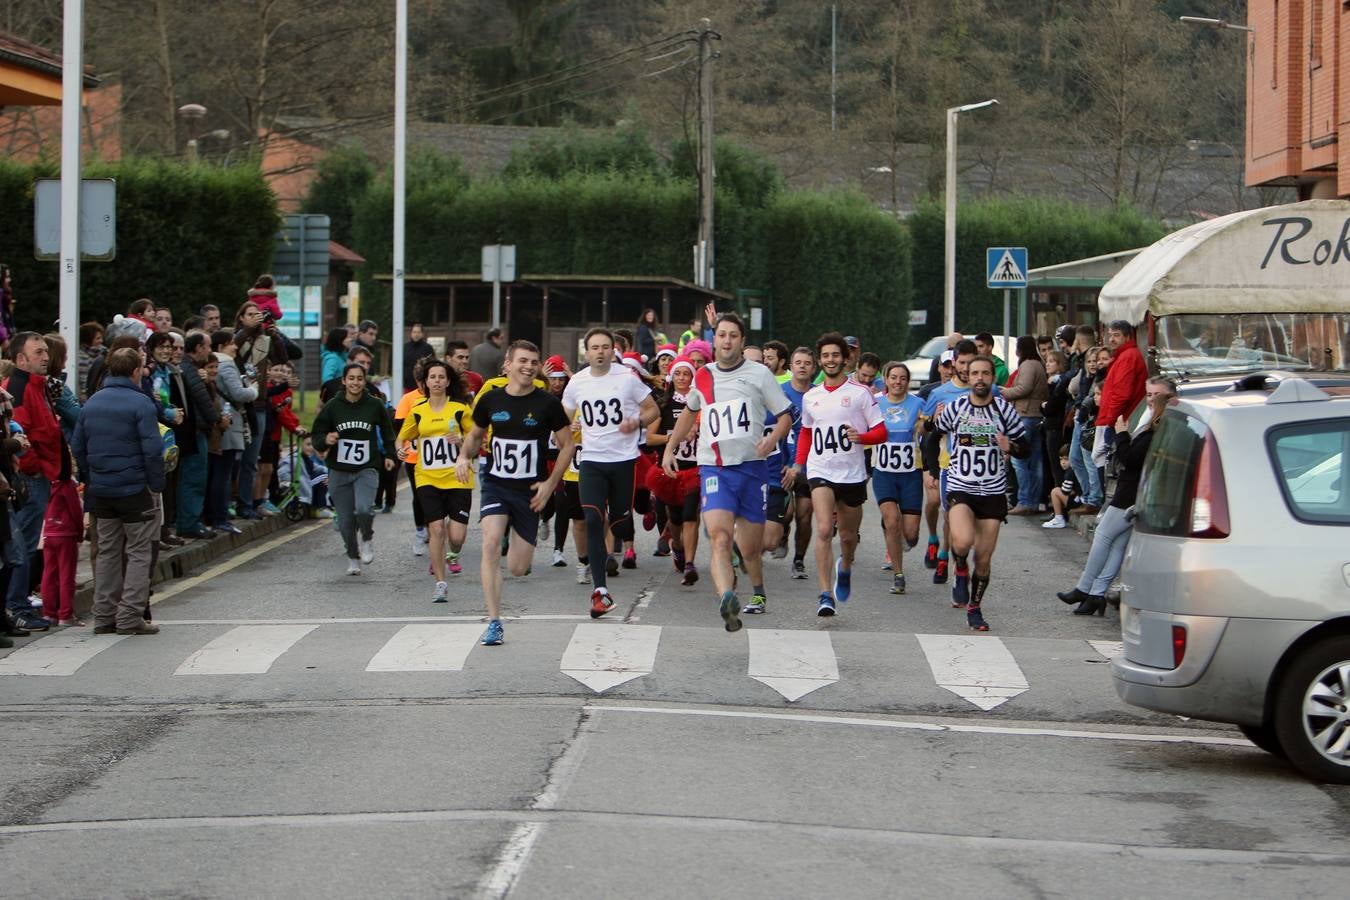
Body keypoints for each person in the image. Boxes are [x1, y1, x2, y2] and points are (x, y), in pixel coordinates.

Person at [662, 313, 792, 628]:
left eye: (733, 335)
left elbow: (786, 415)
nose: (727, 340)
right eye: (722, 335)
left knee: (750, 550)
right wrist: (669, 448)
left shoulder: (760, 375)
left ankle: (758, 590)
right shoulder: (703, 376)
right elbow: (689, 413)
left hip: (752, 469)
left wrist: (772, 437)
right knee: (719, 537)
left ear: (742, 341)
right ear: (715, 340)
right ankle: (726, 599)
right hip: (715, 469)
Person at [456, 341, 573, 645]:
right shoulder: (490, 400)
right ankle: (494, 620)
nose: (529, 367)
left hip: (529, 491)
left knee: (518, 568)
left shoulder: (547, 403)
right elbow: (475, 435)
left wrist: (550, 484)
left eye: (534, 362)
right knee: (491, 544)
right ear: (507, 365)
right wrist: (463, 457)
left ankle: (521, 546)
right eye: (522, 361)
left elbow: (567, 446)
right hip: (496, 484)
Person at [788, 332, 887, 617]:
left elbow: (882, 431)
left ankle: (844, 567)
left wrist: (863, 437)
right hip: (820, 470)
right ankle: (824, 593)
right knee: (822, 529)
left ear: (845, 359)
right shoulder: (811, 397)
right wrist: (798, 464)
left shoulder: (860, 393)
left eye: (835, 355)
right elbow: (806, 432)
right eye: (826, 356)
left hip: (852, 473)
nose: (830, 360)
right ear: (820, 361)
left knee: (846, 536)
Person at [563, 327, 660, 617]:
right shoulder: (576, 383)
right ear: (587, 351)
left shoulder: (627, 379)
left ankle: (626, 519)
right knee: (592, 518)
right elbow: (562, 419)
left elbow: (653, 410)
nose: (600, 352)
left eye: (605, 347)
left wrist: (637, 422)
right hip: (591, 461)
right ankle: (600, 592)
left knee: (618, 521)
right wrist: (567, 428)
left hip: (622, 461)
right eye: (594, 347)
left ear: (612, 350)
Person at [1058, 377, 1176, 615]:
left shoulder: (1160, 425)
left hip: (1132, 490)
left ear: (1169, 398)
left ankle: (1084, 587)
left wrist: (1121, 434)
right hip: (1135, 489)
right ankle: (1096, 595)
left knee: (1103, 535)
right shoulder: (1155, 422)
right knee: (1118, 544)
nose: (1150, 399)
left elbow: (1131, 458)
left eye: (1156, 395)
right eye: (1149, 394)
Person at [930, 356, 1029, 631]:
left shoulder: (1004, 411)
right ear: (968, 376)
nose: (981, 378)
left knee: (984, 558)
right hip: (962, 486)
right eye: (975, 373)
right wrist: (930, 470)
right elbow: (931, 434)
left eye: (986, 373)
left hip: (994, 491)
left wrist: (1011, 447)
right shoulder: (956, 408)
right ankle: (959, 566)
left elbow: (1026, 447)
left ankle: (974, 607)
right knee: (962, 542)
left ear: (992, 378)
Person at [73, 347, 166, 636]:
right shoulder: (141, 404)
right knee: (139, 552)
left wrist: (91, 475)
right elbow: (152, 449)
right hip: (135, 488)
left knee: (108, 553)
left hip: (101, 489)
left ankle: (104, 616)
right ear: (136, 371)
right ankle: (129, 617)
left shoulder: (91, 403)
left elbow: (78, 446)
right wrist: (156, 483)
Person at [3, 332, 64, 631]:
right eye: (38, 352)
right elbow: (21, 434)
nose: (45, 356)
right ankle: (15, 605)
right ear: (20, 359)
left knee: (25, 542)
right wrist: (33, 470)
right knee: (23, 545)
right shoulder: (19, 386)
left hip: (40, 473)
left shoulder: (37, 386)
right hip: (30, 477)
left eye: (45, 351)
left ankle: (18, 602)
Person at [311, 363, 397, 575]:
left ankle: (367, 537)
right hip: (339, 470)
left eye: (359, 379)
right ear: (344, 381)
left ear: (364, 381)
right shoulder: (333, 406)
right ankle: (353, 556)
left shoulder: (374, 405)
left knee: (364, 509)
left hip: (366, 468)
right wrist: (326, 440)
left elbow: (387, 431)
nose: (355, 383)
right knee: (345, 520)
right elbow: (317, 434)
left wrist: (389, 455)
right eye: (351, 378)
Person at [398, 359, 473, 601]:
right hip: (427, 476)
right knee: (437, 528)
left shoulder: (460, 409)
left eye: (441, 377)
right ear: (426, 382)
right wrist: (400, 449)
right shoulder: (418, 411)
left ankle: (454, 553)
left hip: (458, 477)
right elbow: (402, 438)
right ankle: (440, 582)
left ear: (448, 381)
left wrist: (461, 441)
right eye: (433, 377)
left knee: (457, 537)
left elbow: (477, 439)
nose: (437, 381)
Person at [646, 357, 701, 586]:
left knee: (691, 516)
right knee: (675, 518)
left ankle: (690, 564)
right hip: (671, 469)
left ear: (692, 377)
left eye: (686, 374)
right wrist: (673, 437)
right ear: (672, 377)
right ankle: (677, 548)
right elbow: (649, 438)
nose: (681, 378)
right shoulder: (664, 404)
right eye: (677, 374)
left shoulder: (702, 403)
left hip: (696, 468)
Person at [873, 362, 924, 595]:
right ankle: (898, 573)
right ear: (886, 379)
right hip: (884, 472)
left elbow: (928, 428)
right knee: (892, 520)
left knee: (911, 534)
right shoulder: (875, 403)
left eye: (902, 378)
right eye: (893, 377)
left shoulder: (918, 404)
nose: (897, 382)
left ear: (907, 381)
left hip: (910, 473)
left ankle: (903, 540)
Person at [1001, 336, 1049, 515]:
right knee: (1035, 461)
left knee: (1019, 459)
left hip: (1026, 415)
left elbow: (1024, 388)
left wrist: (1004, 392)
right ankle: (1033, 502)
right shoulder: (1039, 364)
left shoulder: (1028, 365)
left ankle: (1025, 501)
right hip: (1036, 415)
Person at [1092, 320, 1148, 469]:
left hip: (1119, 422)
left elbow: (1121, 394)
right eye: (1110, 335)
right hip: (1118, 420)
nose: (1111, 339)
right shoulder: (1124, 355)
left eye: (1116, 335)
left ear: (1127, 336)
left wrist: (1110, 420)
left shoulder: (1128, 356)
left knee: (1109, 468)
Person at [780, 346, 816, 579]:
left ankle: (799, 559)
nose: (802, 366)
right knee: (788, 513)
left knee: (804, 514)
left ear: (814, 368)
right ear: (791, 367)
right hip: (782, 462)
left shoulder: (819, 394)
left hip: (810, 465)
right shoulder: (778, 392)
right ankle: (781, 532)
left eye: (807, 363)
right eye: (798, 362)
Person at [1042, 446, 1081, 529]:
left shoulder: (1070, 472)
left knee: (1055, 491)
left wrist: (1065, 490)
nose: (1063, 462)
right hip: (1079, 499)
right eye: (1061, 459)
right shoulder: (1076, 469)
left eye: (1066, 459)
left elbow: (1065, 491)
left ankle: (1058, 518)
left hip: (1077, 501)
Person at [77, 321, 105, 403]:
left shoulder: (104, 353)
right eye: (98, 338)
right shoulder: (81, 358)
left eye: (101, 338)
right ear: (88, 339)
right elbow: (84, 384)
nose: (101, 341)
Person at [403, 322, 435, 393]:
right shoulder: (404, 347)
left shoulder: (428, 348)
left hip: (422, 386)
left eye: (418, 332)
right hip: (406, 386)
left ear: (422, 334)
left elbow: (432, 365)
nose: (416, 334)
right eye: (414, 332)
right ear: (411, 333)